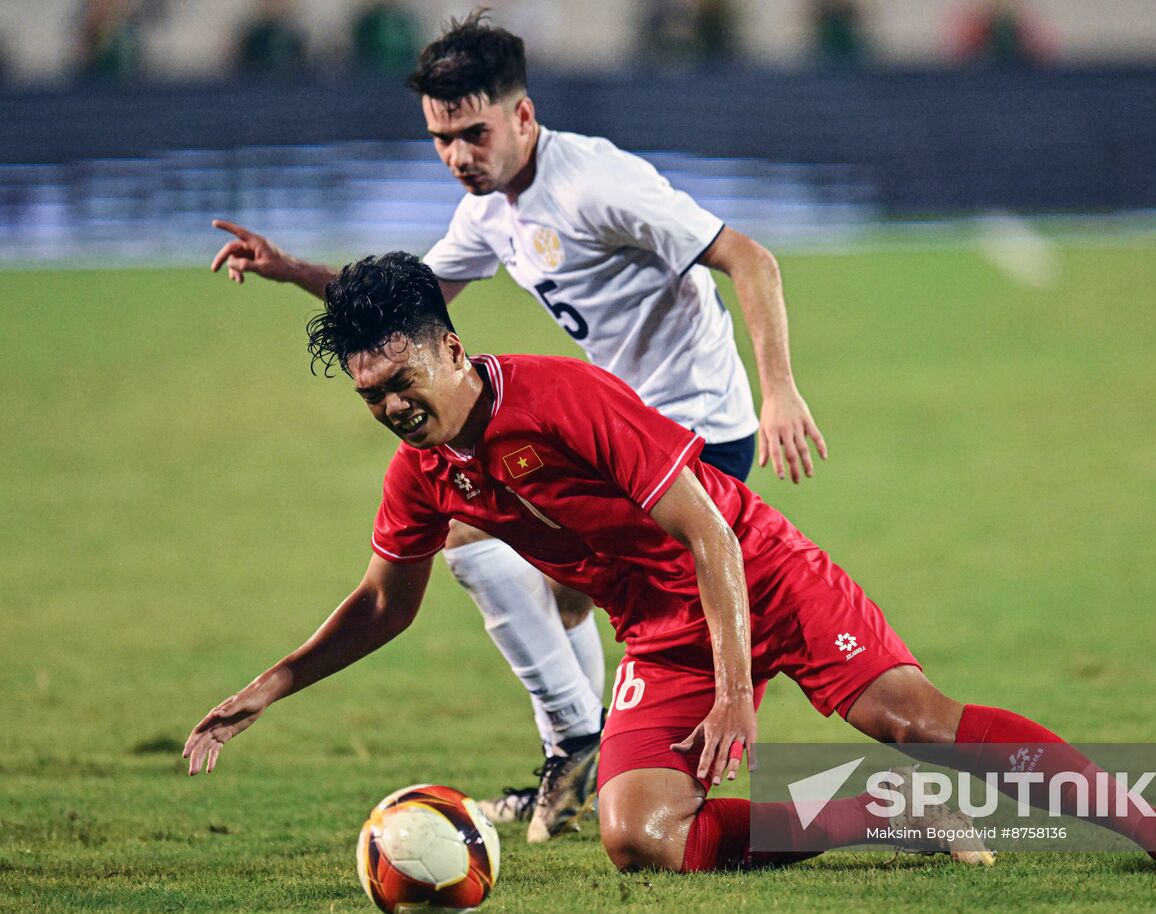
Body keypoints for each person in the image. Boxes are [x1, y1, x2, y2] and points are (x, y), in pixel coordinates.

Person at [184, 253, 1156, 876]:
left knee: (911, 720)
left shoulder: (565, 401)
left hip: (755, 570)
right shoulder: (425, 474)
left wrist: (736, 695)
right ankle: (870, 814)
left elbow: (710, 536)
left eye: (400, 380)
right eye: (370, 397)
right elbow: (382, 605)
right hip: (660, 625)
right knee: (637, 836)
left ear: (448, 347)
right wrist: (264, 690)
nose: (391, 409)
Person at [207, 11, 826, 844]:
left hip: (691, 433)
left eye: (473, 132)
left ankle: (586, 746)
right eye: (440, 139)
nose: (458, 155)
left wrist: (777, 390)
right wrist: (291, 272)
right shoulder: (490, 210)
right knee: (545, 573)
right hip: (610, 433)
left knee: (483, 536)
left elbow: (749, 257)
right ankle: (587, 755)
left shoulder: (596, 183)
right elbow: (403, 315)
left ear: (523, 117)